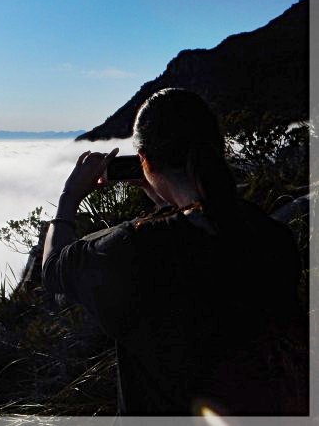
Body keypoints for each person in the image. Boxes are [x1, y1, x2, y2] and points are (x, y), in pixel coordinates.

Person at [41, 88, 305, 416]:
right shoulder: (270, 236)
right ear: (217, 149)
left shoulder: (133, 251)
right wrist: (167, 202)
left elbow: (53, 270)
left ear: (145, 160)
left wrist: (69, 197)